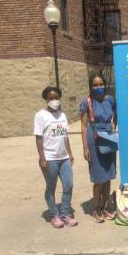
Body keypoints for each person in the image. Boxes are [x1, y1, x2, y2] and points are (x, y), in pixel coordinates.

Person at [34, 86, 77, 228]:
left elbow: (65, 136)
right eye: (51, 98)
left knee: (68, 185)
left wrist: (70, 153)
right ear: (46, 99)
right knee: (51, 187)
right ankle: (55, 215)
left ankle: (65, 213)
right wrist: (42, 158)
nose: (54, 100)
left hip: (64, 157)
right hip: (50, 158)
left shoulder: (62, 115)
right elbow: (39, 138)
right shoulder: (41, 115)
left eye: (56, 97)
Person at [79, 73, 117, 223]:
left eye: (101, 84)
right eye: (95, 85)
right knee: (99, 178)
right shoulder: (87, 102)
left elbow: (115, 113)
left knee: (108, 176)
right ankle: (97, 207)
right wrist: (85, 148)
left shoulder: (110, 99)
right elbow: (83, 125)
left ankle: (107, 205)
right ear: (91, 86)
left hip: (108, 137)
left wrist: (114, 124)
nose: (99, 87)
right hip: (94, 139)